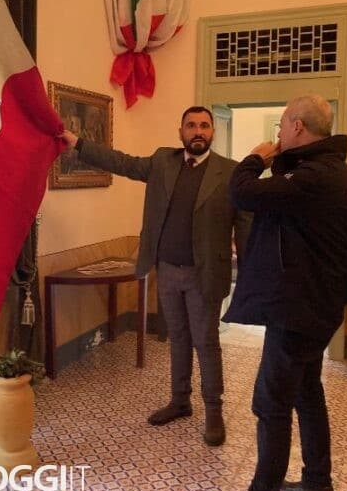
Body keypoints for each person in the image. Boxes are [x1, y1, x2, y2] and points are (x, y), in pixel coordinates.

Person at [58, 106, 251, 446]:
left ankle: (213, 411)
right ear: (180, 132)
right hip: (167, 270)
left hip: (205, 275)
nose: (198, 131)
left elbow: (245, 224)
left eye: (204, 126)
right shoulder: (163, 161)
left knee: (206, 343)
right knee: (177, 337)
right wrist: (77, 143)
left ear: (213, 132)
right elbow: (122, 162)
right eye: (191, 125)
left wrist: (249, 272)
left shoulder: (231, 172)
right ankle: (180, 401)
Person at [224, 95, 347, 491]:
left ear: (297, 126)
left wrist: (255, 158)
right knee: (306, 393)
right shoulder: (328, 169)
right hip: (313, 306)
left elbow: (243, 192)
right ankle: (317, 484)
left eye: (282, 125)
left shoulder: (315, 176)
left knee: (271, 403)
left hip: (299, 312)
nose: (279, 134)